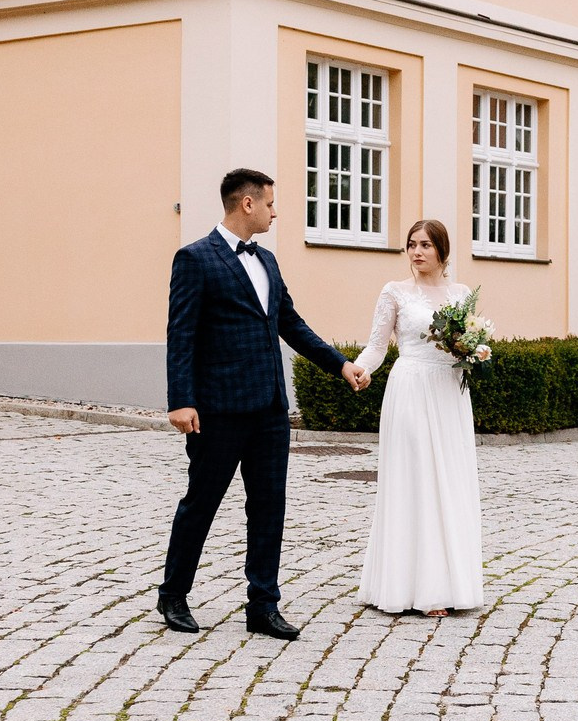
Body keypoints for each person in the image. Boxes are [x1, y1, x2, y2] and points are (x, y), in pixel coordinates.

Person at [158, 167, 368, 639]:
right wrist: (181, 400)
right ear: (247, 203)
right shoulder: (195, 258)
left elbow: (290, 323)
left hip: (271, 408)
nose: (276, 211)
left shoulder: (268, 260)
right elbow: (181, 334)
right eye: (270, 203)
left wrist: (340, 365)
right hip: (218, 409)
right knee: (202, 503)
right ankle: (173, 594)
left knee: (269, 506)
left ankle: (263, 605)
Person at [351, 220, 483, 614]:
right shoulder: (394, 292)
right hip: (409, 388)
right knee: (415, 477)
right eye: (411, 245)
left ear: (442, 249)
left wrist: (473, 353)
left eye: (425, 245)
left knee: (449, 480)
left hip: (449, 393)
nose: (416, 252)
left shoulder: (461, 295)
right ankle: (409, 587)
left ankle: (447, 585)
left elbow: (468, 344)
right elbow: (377, 345)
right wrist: (359, 369)